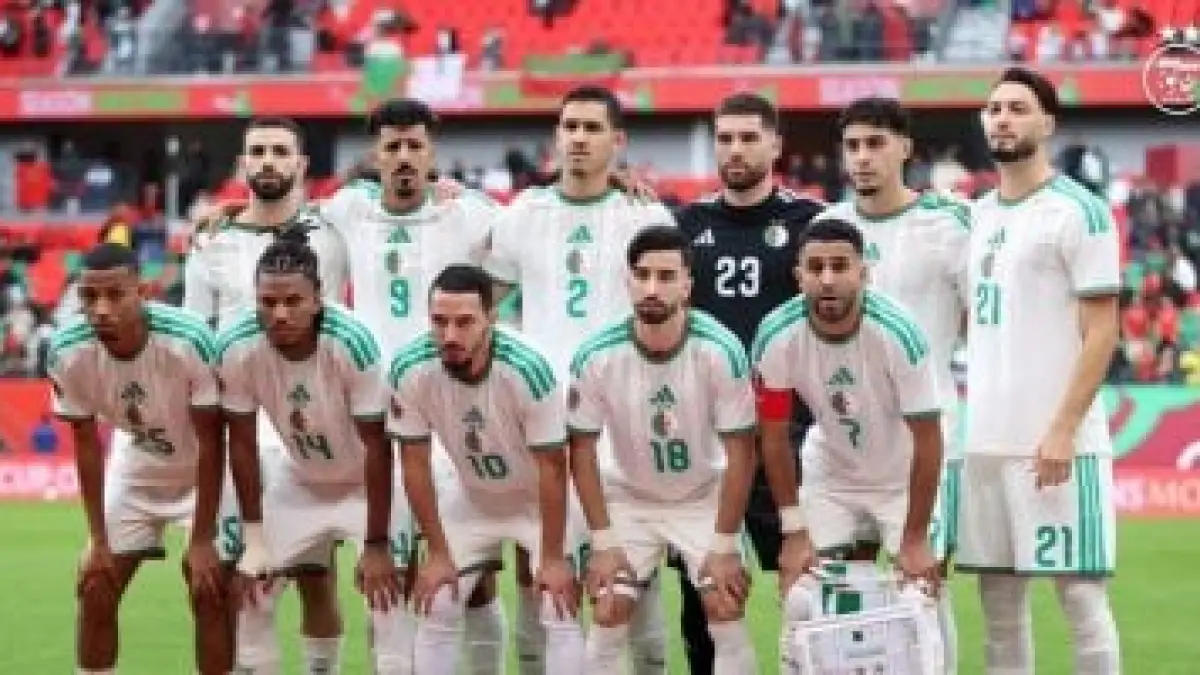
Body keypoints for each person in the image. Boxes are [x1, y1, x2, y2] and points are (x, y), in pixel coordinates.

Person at [485, 84, 673, 672]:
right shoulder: (523, 214)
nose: (579, 138)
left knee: (634, 566)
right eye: (570, 127)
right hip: (541, 417)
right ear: (556, 137)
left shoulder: (645, 215)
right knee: (538, 565)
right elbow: (483, 301)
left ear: (618, 141)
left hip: (623, 419)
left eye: (593, 128)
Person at [321, 97, 502, 673]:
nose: (403, 156)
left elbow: (536, 236)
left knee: (475, 574)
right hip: (375, 418)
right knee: (387, 573)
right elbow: (278, 214)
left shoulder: (469, 213)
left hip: (451, 412)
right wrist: (227, 211)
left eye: (415, 145)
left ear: (431, 152)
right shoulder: (347, 208)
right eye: (393, 146)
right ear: (376, 154)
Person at [959, 66, 1121, 675]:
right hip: (986, 443)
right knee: (999, 611)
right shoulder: (976, 216)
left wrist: (1063, 429)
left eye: (1018, 108)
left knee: (1082, 602)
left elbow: (1102, 331)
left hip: (1059, 446)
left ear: (1047, 123)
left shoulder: (1080, 212)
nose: (1003, 118)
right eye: (995, 109)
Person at [183, 116, 352, 675]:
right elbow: (196, 334)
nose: (269, 161)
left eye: (281, 151)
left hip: (317, 426)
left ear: (301, 164)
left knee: (316, 578)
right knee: (248, 582)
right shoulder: (212, 241)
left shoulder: (335, 231)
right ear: (242, 165)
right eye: (257, 152)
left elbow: (398, 209)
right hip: (242, 427)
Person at [815, 96, 971, 672]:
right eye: (852, 145)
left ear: (905, 148)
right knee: (849, 595)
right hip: (847, 447)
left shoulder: (950, 224)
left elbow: (979, 318)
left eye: (875, 144)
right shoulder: (826, 229)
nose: (862, 157)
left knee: (923, 587)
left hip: (924, 441)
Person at [673, 91, 824, 673]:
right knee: (704, 604)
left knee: (807, 595)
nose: (735, 149)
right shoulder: (686, 226)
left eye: (748, 137)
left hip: (788, 441)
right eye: (725, 138)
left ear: (775, 145)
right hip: (709, 446)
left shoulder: (810, 224)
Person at [751, 219, 945, 669]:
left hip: (901, 475)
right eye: (816, 267)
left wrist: (915, 537)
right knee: (801, 597)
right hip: (832, 473)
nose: (827, 279)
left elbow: (928, 439)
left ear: (863, 272)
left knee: (919, 598)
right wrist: (794, 531)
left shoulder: (899, 333)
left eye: (840, 266)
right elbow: (773, 437)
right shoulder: (776, 335)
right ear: (798, 276)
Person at [567, 227, 758, 674]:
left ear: (687, 285)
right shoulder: (596, 355)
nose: (652, 288)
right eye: (642, 275)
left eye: (666, 276)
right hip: (629, 499)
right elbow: (581, 450)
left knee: (725, 606)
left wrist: (724, 544)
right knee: (608, 609)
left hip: (702, 499)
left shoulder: (721, 350)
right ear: (628, 280)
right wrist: (603, 542)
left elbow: (742, 454)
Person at [384, 264, 582, 674]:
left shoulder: (529, 369)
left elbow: (553, 467)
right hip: (473, 498)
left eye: (464, 322)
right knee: (438, 600)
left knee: (557, 603)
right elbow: (414, 464)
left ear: (491, 318)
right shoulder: (409, 368)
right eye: (439, 321)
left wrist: (551, 557)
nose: (450, 335)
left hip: (537, 503)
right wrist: (438, 553)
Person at [48, 243, 230, 675]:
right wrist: (98, 541)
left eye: (115, 294)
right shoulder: (67, 351)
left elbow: (212, 440)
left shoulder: (188, 339)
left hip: (202, 470)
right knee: (96, 585)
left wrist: (202, 539)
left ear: (143, 292)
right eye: (89, 297)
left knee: (210, 589)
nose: (101, 309)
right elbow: (86, 444)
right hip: (136, 467)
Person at [215, 234, 390, 675]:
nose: (280, 313)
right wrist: (255, 539)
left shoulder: (353, 342)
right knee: (251, 594)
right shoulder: (236, 345)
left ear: (317, 300)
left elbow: (379, 446)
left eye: (293, 301)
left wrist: (376, 544)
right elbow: (241, 442)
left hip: (366, 484)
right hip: (301, 480)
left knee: (389, 602)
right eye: (268, 302)